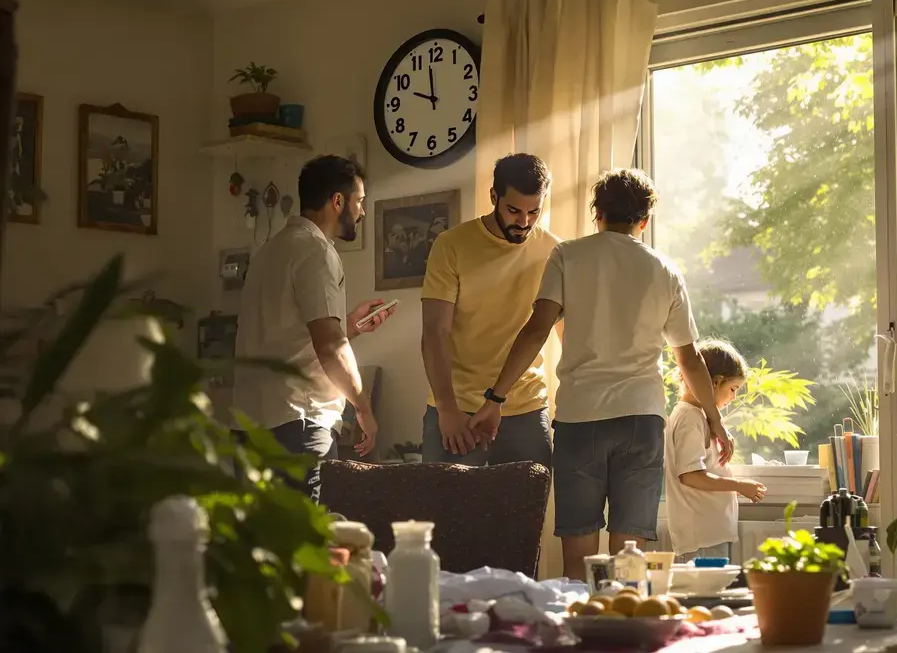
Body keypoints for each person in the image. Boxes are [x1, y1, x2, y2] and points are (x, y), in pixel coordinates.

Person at [469, 169, 734, 580]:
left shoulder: (567, 256)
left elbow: (536, 330)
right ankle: (624, 633)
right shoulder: (665, 270)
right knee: (630, 558)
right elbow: (690, 359)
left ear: (598, 213)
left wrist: (495, 399)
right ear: (643, 221)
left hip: (580, 420)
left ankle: (578, 635)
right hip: (641, 420)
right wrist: (715, 421)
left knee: (578, 557)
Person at [234, 155, 395, 501]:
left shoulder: (268, 252)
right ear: (338, 201)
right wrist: (363, 408)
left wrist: (349, 324)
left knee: (262, 547)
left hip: (250, 428)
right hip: (299, 427)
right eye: (360, 201)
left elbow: (290, 338)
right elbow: (329, 348)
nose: (363, 211)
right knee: (309, 546)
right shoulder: (317, 252)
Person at [420, 154, 558, 468]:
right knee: (441, 513)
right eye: (513, 210)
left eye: (534, 211)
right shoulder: (451, 245)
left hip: (524, 406)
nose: (524, 222)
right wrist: (447, 409)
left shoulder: (554, 252)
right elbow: (434, 332)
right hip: (457, 409)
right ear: (493, 196)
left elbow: (566, 336)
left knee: (526, 515)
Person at [665, 340, 767, 562]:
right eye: (733, 389)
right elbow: (691, 476)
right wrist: (739, 486)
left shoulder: (699, 416)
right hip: (701, 536)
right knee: (706, 591)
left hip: (709, 534)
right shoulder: (690, 418)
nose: (734, 398)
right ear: (715, 381)